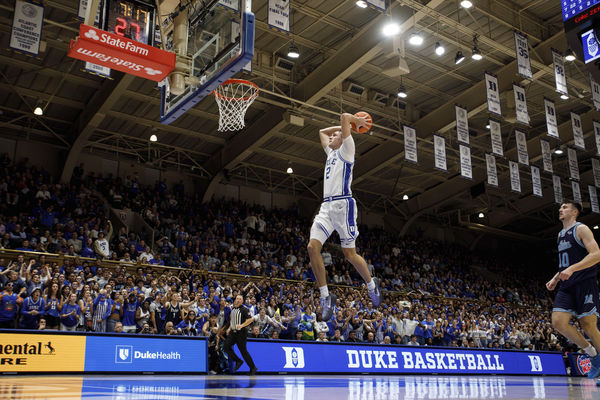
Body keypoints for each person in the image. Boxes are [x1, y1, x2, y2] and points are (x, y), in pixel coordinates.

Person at [307, 112, 381, 321]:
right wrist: (339, 128)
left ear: (344, 138)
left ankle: (371, 284)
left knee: (349, 254)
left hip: (343, 205)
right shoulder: (330, 153)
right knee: (312, 248)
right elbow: (322, 131)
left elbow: (344, 116)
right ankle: (325, 296)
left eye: (335, 136)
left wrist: (352, 123)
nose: (330, 138)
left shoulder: (347, 150)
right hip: (326, 207)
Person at [546, 201, 600, 379]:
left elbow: (596, 255)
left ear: (575, 212)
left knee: (588, 326)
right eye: (560, 208)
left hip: (585, 283)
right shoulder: (561, 234)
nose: (561, 209)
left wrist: (572, 269)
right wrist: (555, 277)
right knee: (558, 322)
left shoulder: (582, 229)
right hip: (567, 285)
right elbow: (566, 263)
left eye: (565, 207)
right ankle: (593, 354)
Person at [224, 294, 257, 375]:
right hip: (233, 332)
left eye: (239, 299)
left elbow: (250, 320)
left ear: (242, 301)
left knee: (243, 351)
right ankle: (238, 361)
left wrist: (241, 325)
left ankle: (253, 367)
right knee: (226, 347)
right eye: (237, 298)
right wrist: (229, 328)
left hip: (241, 333)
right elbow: (232, 321)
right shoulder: (233, 309)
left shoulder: (245, 309)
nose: (237, 300)